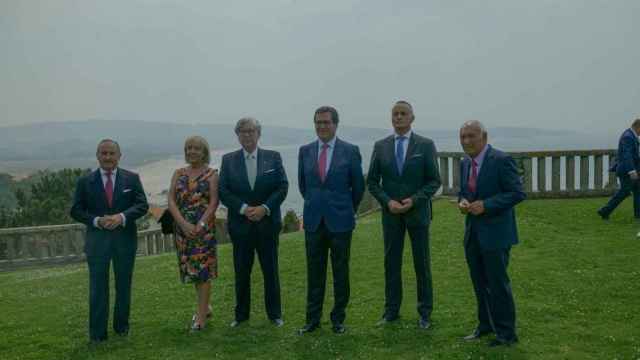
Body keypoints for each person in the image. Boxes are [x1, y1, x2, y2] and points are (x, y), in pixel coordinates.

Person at [367, 101, 441, 329]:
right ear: (391, 118)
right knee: (391, 263)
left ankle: (425, 313)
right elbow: (372, 181)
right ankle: (391, 311)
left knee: (422, 264)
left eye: (403, 114)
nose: (398, 117)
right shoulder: (381, 146)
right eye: (395, 114)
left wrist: (415, 200)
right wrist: (387, 201)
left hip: (417, 214)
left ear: (412, 117)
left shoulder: (425, 145)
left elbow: (434, 181)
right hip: (391, 215)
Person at [70, 139, 149, 343]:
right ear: (97, 156)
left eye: (111, 153)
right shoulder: (85, 182)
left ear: (119, 156)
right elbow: (76, 210)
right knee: (98, 288)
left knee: (124, 286)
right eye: (103, 153)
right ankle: (97, 334)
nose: (107, 157)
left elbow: (142, 205)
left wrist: (121, 217)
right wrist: (96, 220)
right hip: (97, 244)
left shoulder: (132, 179)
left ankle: (122, 327)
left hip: (125, 242)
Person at [297, 106, 365, 335]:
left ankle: (338, 319)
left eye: (326, 122)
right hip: (314, 221)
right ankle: (312, 320)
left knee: (340, 272)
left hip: (341, 221)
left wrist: (346, 209)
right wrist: (316, 205)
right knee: (314, 272)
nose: (321, 126)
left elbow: (358, 187)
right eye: (318, 122)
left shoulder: (350, 151)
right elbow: (304, 186)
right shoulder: (305, 151)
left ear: (335, 124)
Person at [457, 120, 526, 347]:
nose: (466, 141)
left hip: (496, 233)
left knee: (497, 283)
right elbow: (463, 192)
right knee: (479, 282)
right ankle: (485, 325)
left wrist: (487, 205)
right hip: (473, 233)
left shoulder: (502, 160)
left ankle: (506, 333)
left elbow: (517, 193)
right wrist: (463, 202)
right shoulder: (465, 163)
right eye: (463, 136)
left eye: (471, 136)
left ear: (484, 137)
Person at [218, 117, 288, 328]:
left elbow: (282, 187)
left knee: (270, 271)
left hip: (267, 225)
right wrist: (243, 209)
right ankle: (241, 316)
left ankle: (275, 314)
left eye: (251, 131)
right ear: (237, 135)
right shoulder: (228, 160)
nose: (247, 135)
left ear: (259, 134)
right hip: (241, 226)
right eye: (242, 131)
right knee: (241, 272)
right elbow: (223, 190)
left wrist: (264, 208)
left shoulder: (273, 157)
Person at [167, 136, 219, 331]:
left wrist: (201, 224)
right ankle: (205, 308)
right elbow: (171, 200)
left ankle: (201, 318)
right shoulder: (178, 173)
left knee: (203, 272)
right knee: (192, 270)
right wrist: (182, 223)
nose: (192, 152)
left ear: (204, 151)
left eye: (196, 148)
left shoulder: (211, 174)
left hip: (202, 231)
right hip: (182, 230)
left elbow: (214, 202)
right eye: (188, 148)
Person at [598, 119, 640, 220]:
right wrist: (632, 171)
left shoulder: (630, 135)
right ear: (638, 127)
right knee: (624, 192)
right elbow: (627, 155)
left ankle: (638, 215)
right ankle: (604, 210)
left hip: (629, 169)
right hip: (626, 170)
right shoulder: (628, 137)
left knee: (638, 190)